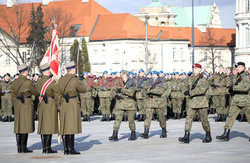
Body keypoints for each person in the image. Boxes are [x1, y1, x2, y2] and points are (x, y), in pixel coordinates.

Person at [57, 61, 87, 155]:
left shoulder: (61, 80)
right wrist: (81, 80)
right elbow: (84, 90)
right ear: (73, 69)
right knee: (71, 126)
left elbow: (57, 93)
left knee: (64, 126)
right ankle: (71, 149)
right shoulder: (75, 80)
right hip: (72, 103)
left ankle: (66, 149)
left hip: (63, 103)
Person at [216, 62, 250, 141]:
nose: (237, 68)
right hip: (236, 100)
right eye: (236, 67)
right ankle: (226, 133)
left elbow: (245, 87)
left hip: (245, 100)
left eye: (238, 67)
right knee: (230, 116)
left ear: (242, 67)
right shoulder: (236, 76)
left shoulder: (246, 77)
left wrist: (233, 87)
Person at [179, 63, 212, 144]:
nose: (195, 70)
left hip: (201, 102)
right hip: (192, 102)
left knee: (204, 120)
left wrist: (190, 92)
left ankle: (208, 135)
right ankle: (186, 135)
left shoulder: (203, 78)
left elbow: (202, 90)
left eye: (196, 68)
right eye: (194, 68)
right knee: (188, 118)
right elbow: (184, 86)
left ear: (200, 69)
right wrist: (185, 91)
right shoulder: (190, 78)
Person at [11, 64, 38, 153]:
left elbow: (13, 96)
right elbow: (35, 92)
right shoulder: (28, 82)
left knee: (19, 126)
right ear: (25, 71)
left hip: (18, 105)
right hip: (26, 104)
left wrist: (17, 104)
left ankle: (19, 147)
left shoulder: (14, 82)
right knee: (25, 126)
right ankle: (23, 147)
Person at [36, 63, 60, 153]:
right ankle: (48, 148)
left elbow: (36, 92)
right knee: (49, 126)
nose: (50, 71)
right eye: (49, 70)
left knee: (43, 126)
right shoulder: (52, 82)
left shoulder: (38, 82)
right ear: (46, 71)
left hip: (42, 105)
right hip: (50, 105)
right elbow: (57, 93)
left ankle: (44, 148)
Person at [140, 71, 171, 139]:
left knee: (161, 118)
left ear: (157, 76)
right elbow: (144, 90)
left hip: (159, 102)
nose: (153, 76)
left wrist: (162, 96)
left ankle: (164, 131)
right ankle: (146, 132)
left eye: (155, 75)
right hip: (150, 101)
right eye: (152, 75)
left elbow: (161, 91)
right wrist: (145, 94)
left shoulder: (162, 81)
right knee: (148, 117)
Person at [109, 70, 137, 141]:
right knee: (117, 119)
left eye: (124, 76)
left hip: (130, 104)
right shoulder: (118, 82)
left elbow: (131, 93)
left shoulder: (133, 82)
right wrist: (115, 95)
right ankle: (114, 134)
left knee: (131, 120)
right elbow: (112, 90)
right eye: (122, 76)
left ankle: (133, 134)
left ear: (128, 76)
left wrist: (121, 90)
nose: (123, 77)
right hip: (120, 103)